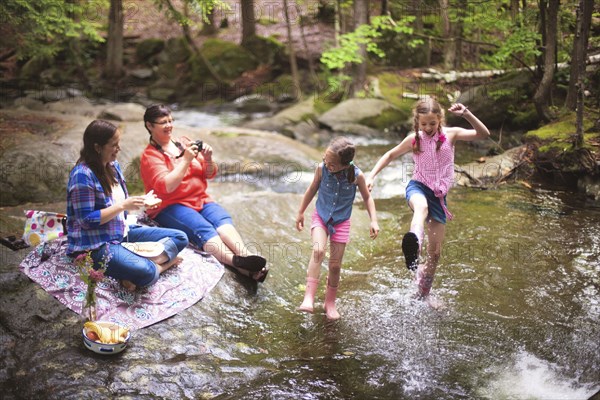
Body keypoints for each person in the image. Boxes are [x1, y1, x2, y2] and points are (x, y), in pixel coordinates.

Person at [366, 98, 490, 299]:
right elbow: (390, 155)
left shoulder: (451, 134)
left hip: (439, 197)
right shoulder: (414, 139)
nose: (429, 127)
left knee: (435, 255)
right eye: (424, 124)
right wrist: (371, 175)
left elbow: (483, 134)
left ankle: (423, 295)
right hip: (418, 187)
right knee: (421, 208)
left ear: (440, 119)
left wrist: (466, 113)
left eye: (433, 123)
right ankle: (414, 244)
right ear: (417, 123)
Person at [140, 104, 268, 282]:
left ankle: (247, 257)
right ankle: (237, 262)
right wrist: (185, 160)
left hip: (200, 199)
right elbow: (166, 187)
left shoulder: (184, 141)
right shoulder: (150, 156)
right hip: (170, 205)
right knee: (204, 229)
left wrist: (208, 159)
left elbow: (210, 173)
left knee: (222, 220)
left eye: (170, 120)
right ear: (149, 126)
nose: (169, 125)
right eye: (163, 122)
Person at [67, 120, 189, 291]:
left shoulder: (113, 165)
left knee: (180, 237)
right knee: (145, 271)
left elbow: (117, 202)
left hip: (121, 231)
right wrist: (124, 205)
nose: (119, 149)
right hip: (96, 244)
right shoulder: (82, 175)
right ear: (97, 147)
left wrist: (141, 202)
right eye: (114, 145)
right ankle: (160, 266)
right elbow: (86, 220)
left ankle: (134, 265)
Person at [296, 137, 379, 320]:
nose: (327, 164)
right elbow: (311, 190)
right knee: (318, 250)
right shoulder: (321, 169)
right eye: (326, 159)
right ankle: (308, 297)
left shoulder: (357, 176)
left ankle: (330, 303)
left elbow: (367, 198)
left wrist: (373, 220)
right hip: (321, 217)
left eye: (332, 163)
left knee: (335, 266)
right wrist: (301, 212)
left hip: (341, 222)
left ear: (345, 164)